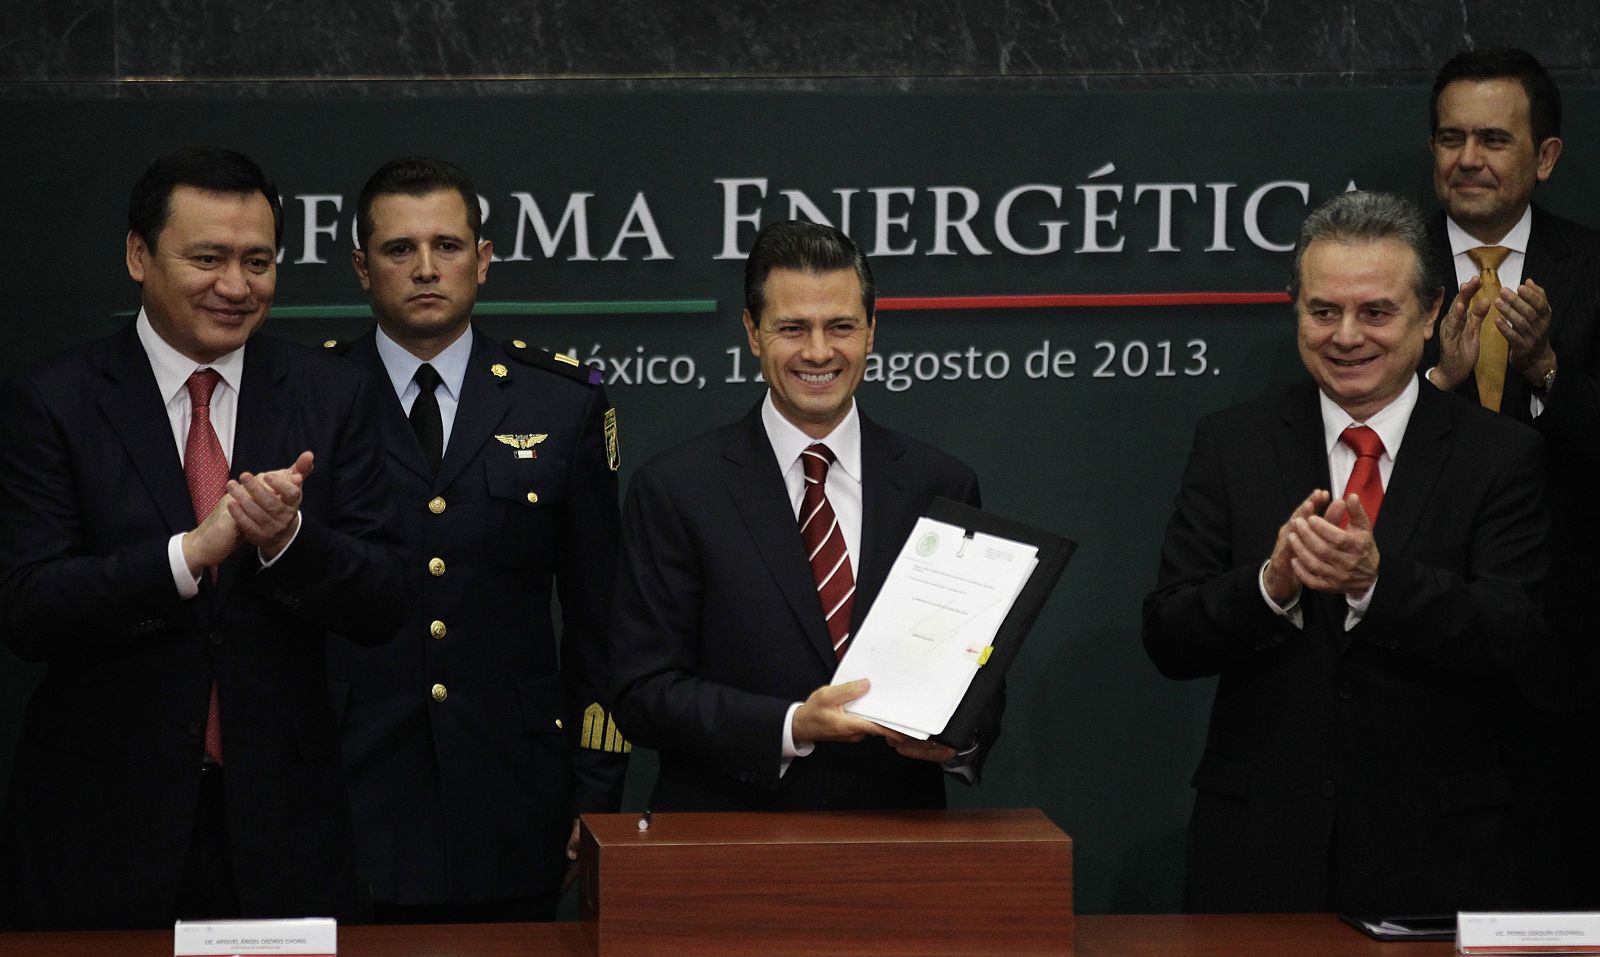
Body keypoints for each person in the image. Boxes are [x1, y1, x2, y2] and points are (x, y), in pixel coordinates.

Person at [0, 146, 406, 930]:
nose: (236, 285)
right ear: (138, 254)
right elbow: (26, 606)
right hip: (101, 828)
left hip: (281, 829)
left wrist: (287, 540)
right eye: (208, 257)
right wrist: (189, 554)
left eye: (258, 260)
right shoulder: (52, 402)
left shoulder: (331, 394)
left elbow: (384, 596)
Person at [1143, 191, 1547, 915]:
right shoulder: (1233, 443)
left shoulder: (1499, 455)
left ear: (1429, 315)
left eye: (1376, 312)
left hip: (1435, 853)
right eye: (1323, 311)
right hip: (1258, 852)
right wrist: (1271, 585)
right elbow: (1170, 634)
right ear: (1295, 311)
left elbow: (1512, 632)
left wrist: (1378, 582)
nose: (1346, 335)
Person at [609, 219, 999, 812]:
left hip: (902, 843)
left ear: (871, 331)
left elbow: (978, 677)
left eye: (840, 326)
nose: (818, 352)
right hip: (727, 843)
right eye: (793, 328)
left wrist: (960, 738)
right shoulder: (676, 489)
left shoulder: (940, 484)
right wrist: (793, 724)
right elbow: (642, 692)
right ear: (752, 332)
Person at [325, 157, 626, 923]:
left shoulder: (560, 402)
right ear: (363, 267)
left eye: (448, 246)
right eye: (399, 250)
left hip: (516, 795)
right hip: (345, 792)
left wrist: (594, 792)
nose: (426, 268)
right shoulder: (309, 396)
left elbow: (600, 622)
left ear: (483, 260)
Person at [1422, 47, 1600, 908]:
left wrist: (1549, 370)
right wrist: (1438, 388)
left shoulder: (1594, 268)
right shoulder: (1380, 268)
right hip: (1408, 647)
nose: (1468, 159)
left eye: (1494, 138)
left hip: (1559, 666)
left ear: (1547, 156)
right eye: (1451, 137)